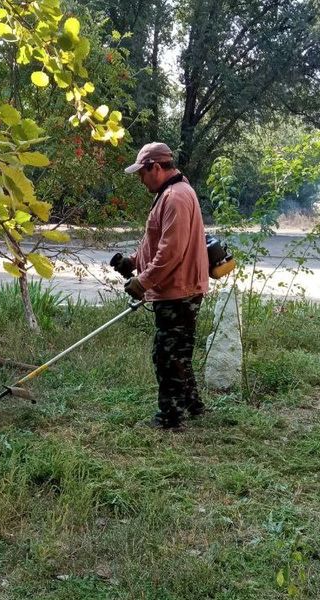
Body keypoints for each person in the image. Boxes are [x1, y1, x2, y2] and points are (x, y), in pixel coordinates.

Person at [110, 142, 209, 431]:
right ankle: (193, 405)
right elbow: (155, 241)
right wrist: (132, 262)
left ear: (156, 167)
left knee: (167, 356)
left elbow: (171, 251)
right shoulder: (169, 194)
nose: (141, 179)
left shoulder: (176, 197)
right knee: (177, 353)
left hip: (180, 290)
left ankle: (171, 419)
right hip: (175, 288)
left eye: (142, 173)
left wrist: (144, 281)